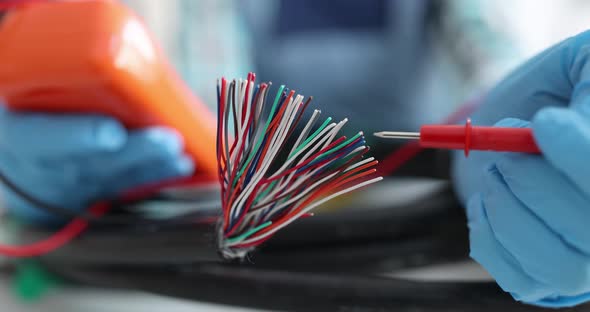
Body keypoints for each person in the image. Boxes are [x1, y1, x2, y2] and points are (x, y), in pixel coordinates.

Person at [1, 0, 589, 308]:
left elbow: (485, 42)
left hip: (418, 191)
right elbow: (215, 112)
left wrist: (499, 119)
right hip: (243, 205)